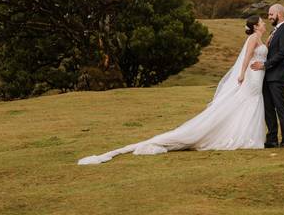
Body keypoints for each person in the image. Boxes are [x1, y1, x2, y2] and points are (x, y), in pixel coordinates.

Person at [77, 16, 267, 164]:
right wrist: (241, 74)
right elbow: (246, 57)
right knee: (247, 102)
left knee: (249, 103)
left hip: (258, 76)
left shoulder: (259, 38)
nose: (264, 23)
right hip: (252, 76)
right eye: (261, 22)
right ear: (256, 26)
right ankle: (243, 136)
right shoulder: (253, 38)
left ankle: (245, 134)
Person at [250, 3, 284, 148]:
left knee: (281, 107)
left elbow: (282, 54)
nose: (269, 17)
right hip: (266, 77)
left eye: (271, 14)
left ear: (279, 14)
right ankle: (272, 139)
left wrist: (264, 65)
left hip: (277, 76)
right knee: (268, 108)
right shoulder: (274, 32)